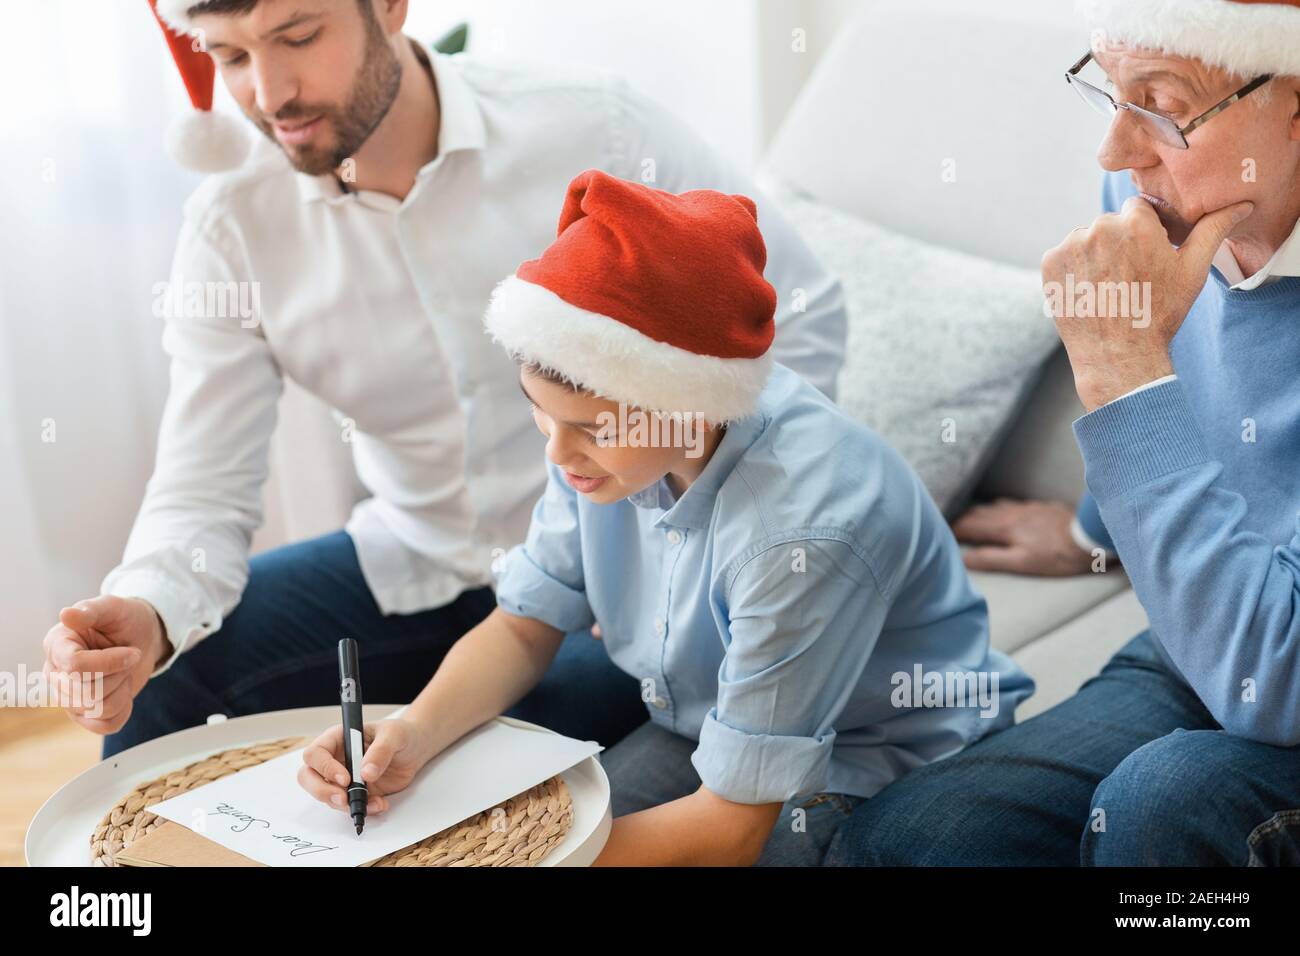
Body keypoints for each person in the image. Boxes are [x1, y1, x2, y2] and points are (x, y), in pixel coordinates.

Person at [40, 0, 847, 762]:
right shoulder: (232, 226)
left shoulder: (595, 126)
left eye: (297, 35)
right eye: (229, 54)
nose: (268, 91)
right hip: (414, 560)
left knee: (503, 750)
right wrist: (145, 612)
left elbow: (800, 314)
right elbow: (201, 488)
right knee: (167, 683)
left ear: (389, 6)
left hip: (612, 579)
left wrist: (690, 544)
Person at [295, 169, 1034, 866]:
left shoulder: (799, 533)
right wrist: (409, 737)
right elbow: (525, 623)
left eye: (591, 427)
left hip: (870, 751)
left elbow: (731, 829)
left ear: (692, 405)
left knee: (547, 838)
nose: (558, 453)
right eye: (541, 415)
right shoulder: (594, 442)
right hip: (706, 719)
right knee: (529, 818)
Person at [828, 0, 1300, 867]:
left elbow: (1276, 680)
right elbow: (1196, 412)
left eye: (1159, 102)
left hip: (1279, 658)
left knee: (1164, 807)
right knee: (909, 843)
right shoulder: (1150, 197)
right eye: (1111, 94)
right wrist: (1090, 531)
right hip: (1210, 633)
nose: (1115, 153)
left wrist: (1117, 366)